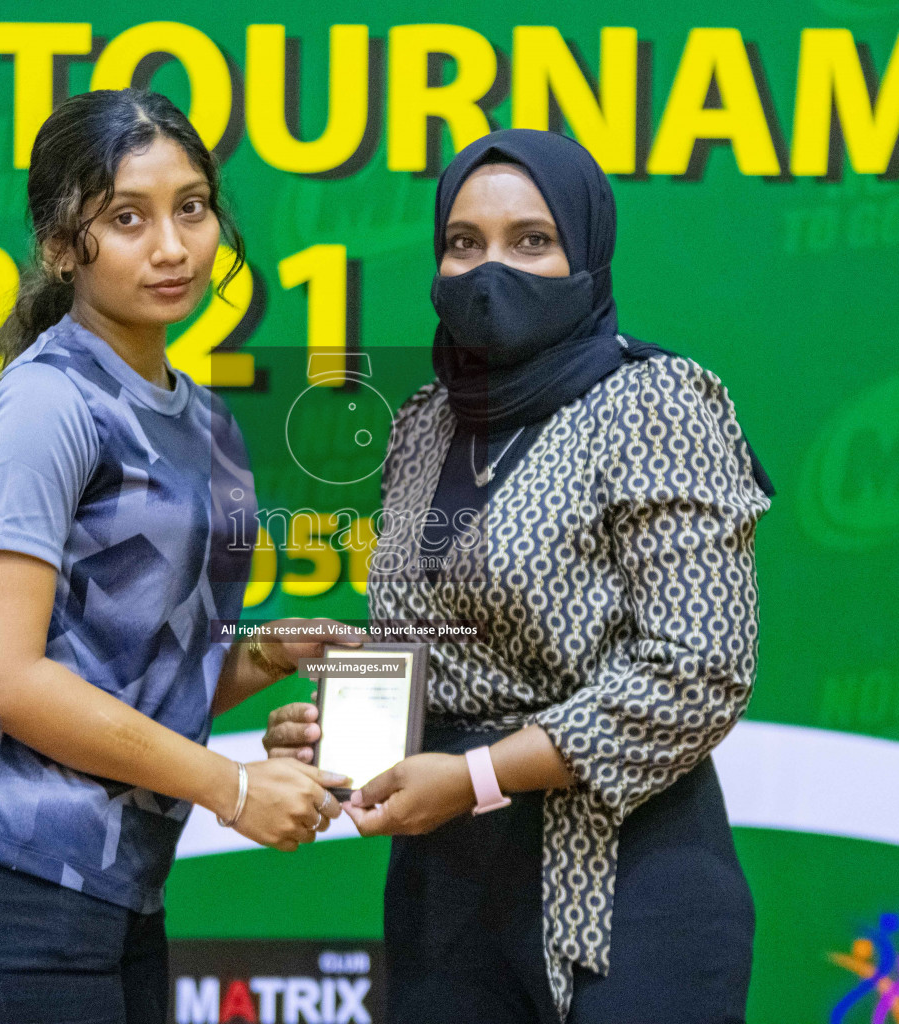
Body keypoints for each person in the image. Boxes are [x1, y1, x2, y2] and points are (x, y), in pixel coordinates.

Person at [264, 129, 775, 1024]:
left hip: (628, 888)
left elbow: (698, 674)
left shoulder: (656, 403)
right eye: (464, 245)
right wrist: (338, 734)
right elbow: (445, 650)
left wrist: (478, 776)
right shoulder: (423, 422)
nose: (489, 270)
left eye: (530, 241)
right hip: (448, 895)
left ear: (586, 252)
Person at [0, 88, 362, 1024]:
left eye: (191, 207)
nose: (173, 246)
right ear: (64, 246)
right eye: (127, 218)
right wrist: (229, 787)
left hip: (117, 905)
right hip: (4, 892)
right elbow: (3, 678)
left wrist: (265, 657)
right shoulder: (47, 402)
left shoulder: (212, 423)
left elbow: (137, 677)